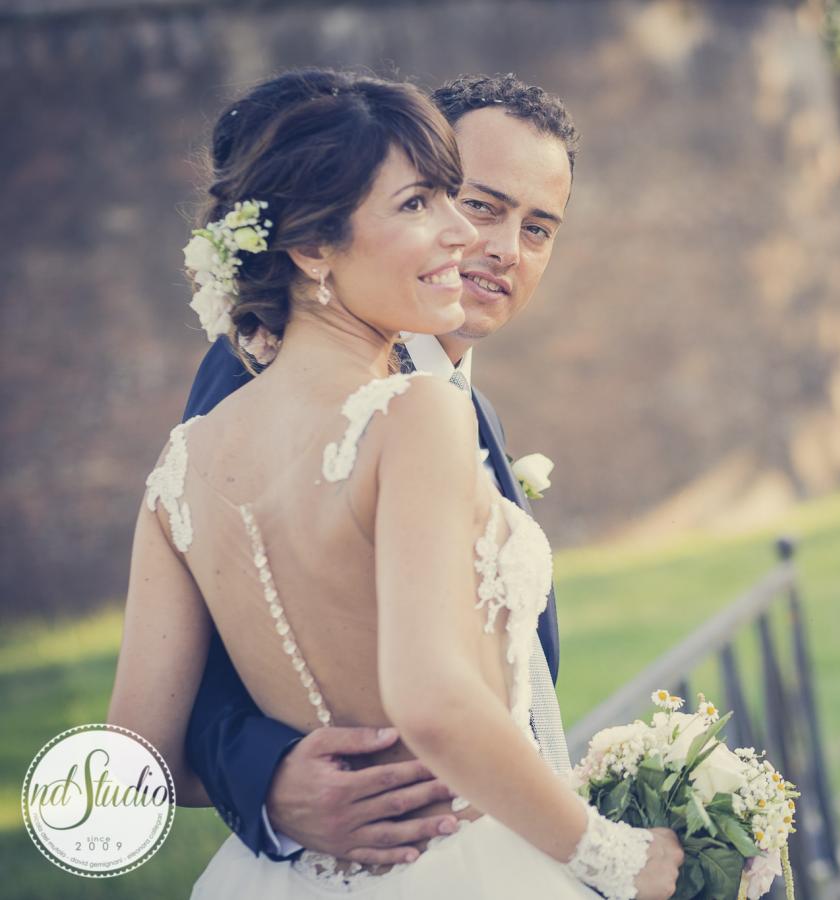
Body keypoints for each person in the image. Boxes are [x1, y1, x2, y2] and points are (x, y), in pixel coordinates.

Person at [107, 68, 681, 898]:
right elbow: (435, 701)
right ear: (310, 245)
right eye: (441, 202)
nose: (476, 241)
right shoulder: (413, 411)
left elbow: (127, 768)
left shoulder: (177, 470)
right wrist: (614, 860)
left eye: (538, 227)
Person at [182, 73, 580, 867]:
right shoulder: (260, 375)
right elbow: (203, 643)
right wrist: (270, 781)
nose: (497, 248)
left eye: (538, 229)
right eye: (478, 205)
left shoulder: (474, 409)